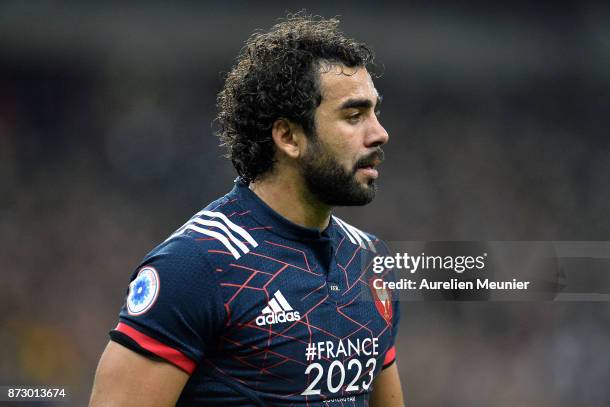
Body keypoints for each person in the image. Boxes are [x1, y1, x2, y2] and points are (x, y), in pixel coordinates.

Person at [89, 14, 403, 406]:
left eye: (374, 112)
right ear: (288, 136)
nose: (379, 132)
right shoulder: (197, 265)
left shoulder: (368, 260)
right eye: (354, 116)